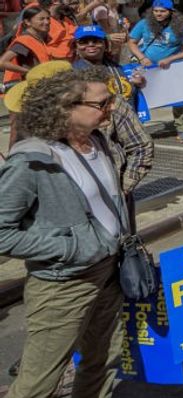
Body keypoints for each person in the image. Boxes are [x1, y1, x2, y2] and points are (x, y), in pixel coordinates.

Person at [0, 67, 126, 398]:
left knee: (101, 363)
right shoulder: (32, 159)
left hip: (109, 272)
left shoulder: (97, 141)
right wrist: (69, 248)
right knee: (38, 384)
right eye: (102, 102)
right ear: (66, 107)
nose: (111, 107)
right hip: (64, 284)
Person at [71, 25, 155, 195]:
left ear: (104, 44)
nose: (91, 45)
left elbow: (122, 93)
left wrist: (135, 84)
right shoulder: (74, 73)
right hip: (100, 138)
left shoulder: (115, 67)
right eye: (84, 41)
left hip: (125, 131)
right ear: (76, 46)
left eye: (96, 40)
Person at [127, 0, 183, 143]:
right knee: (139, 97)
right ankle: (136, 129)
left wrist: (171, 58)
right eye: (156, 10)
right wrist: (141, 57)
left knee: (177, 98)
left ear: (171, 12)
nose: (158, 14)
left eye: (163, 11)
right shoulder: (143, 23)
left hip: (170, 68)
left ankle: (182, 129)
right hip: (146, 67)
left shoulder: (180, 26)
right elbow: (131, 42)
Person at [1, 7, 52, 89]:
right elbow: (2, 62)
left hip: (40, 85)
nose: (47, 22)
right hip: (29, 87)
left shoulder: (37, 38)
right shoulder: (25, 40)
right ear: (27, 22)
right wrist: (29, 72)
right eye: (41, 19)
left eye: (48, 18)